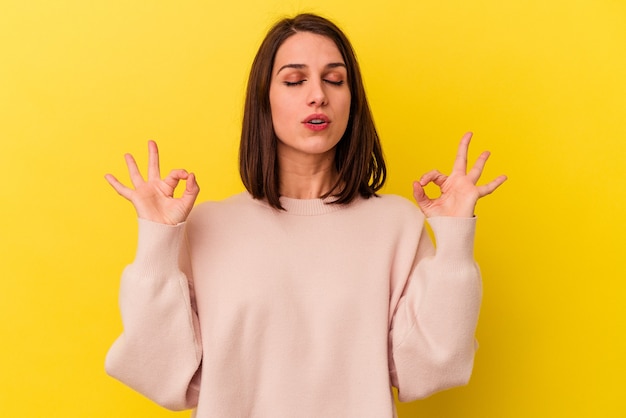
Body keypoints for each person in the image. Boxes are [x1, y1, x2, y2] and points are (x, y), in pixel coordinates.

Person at [104, 13, 506, 418]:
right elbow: (160, 376)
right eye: (295, 81)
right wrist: (156, 240)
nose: (318, 95)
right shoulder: (209, 227)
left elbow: (435, 366)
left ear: (353, 100)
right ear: (265, 99)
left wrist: (454, 239)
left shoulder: (394, 225)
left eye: (334, 79)